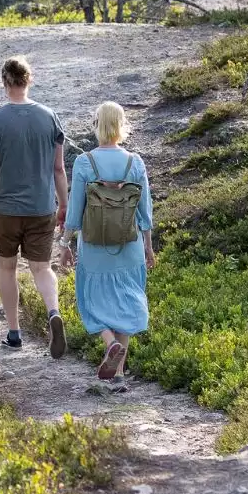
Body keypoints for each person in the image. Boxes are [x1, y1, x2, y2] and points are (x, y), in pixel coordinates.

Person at [0, 56, 68, 356]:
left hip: (5, 209)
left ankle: (14, 333)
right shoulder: (50, 117)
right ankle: (53, 312)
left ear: (4, 82)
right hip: (42, 207)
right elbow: (58, 169)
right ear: (30, 79)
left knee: (7, 267)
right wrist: (63, 204)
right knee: (41, 268)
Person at [61, 101, 155, 384]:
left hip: (94, 247)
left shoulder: (84, 163)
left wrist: (65, 243)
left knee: (91, 299)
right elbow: (145, 211)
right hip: (130, 246)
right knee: (126, 302)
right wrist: (149, 246)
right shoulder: (134, 162)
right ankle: (118, 373)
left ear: (97, 126)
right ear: (121, 125)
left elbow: (75, 210)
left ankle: (109, 342)